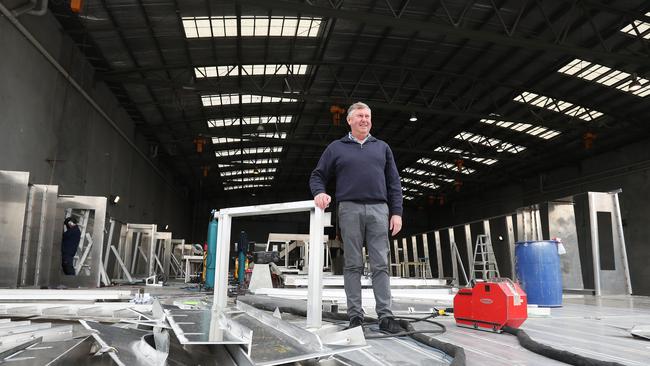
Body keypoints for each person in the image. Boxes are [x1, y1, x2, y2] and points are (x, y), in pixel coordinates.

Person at [309, 101, 405, 333]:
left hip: (379, 210)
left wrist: (397, 213)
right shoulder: (336, 147)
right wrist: (320, 192)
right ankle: (355, 317)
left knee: (381, 264)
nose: (365, 119)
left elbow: (394, 183)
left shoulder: (382, 147)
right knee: (353, 265)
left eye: (368, 116)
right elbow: (318, 175)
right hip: (349, 209)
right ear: (350, 120)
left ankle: (385, 317)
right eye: (360, 116)